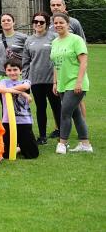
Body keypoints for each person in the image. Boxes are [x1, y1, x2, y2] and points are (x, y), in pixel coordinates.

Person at [50, 12, 92, 154]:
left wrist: (79, 82)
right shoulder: (55, 42)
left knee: (65, 112)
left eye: (61, 22)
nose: (58, 25)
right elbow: (56, 64)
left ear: (68, 24)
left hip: (75, 83)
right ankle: (85, 144)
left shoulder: (76, 40)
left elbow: (83, 63)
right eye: (56, 23)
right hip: (62, 83)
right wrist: (55, 82)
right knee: (76, 114)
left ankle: (62, 144)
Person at [23, 12, 60, 144]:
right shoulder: (29, 40)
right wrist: (26, 80)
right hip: (36, 81)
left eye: (41, 22)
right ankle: (42, 136)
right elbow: (26, 62)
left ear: (46, 24)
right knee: (40, 108)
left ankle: (62, 133)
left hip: (52, 80)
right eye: (35, 21)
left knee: (57, 107)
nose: (38, 24)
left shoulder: (54, 38)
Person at [0, 60, 39, 159]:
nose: (12, 72)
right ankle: (17, 147)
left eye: (15, 70)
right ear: (6, 71)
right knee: (6, 155)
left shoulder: (25, 81)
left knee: (32, 155)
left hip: (24, 120)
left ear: (20, 71)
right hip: (8, 120)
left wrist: (14, 90)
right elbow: (0, 89)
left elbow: (25, 87)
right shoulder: (4, 81)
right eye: (9, 70)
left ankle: (19, 147)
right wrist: (23, 93)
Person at [0, 13, 27, 83]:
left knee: (19, 93)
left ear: (13, 22)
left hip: (19, 74)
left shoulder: (23, 37)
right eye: (3, 21)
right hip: (2, 75)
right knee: (4, 94)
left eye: (8, 20)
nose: (6, 22)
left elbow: (28, 56)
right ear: (0, 24)